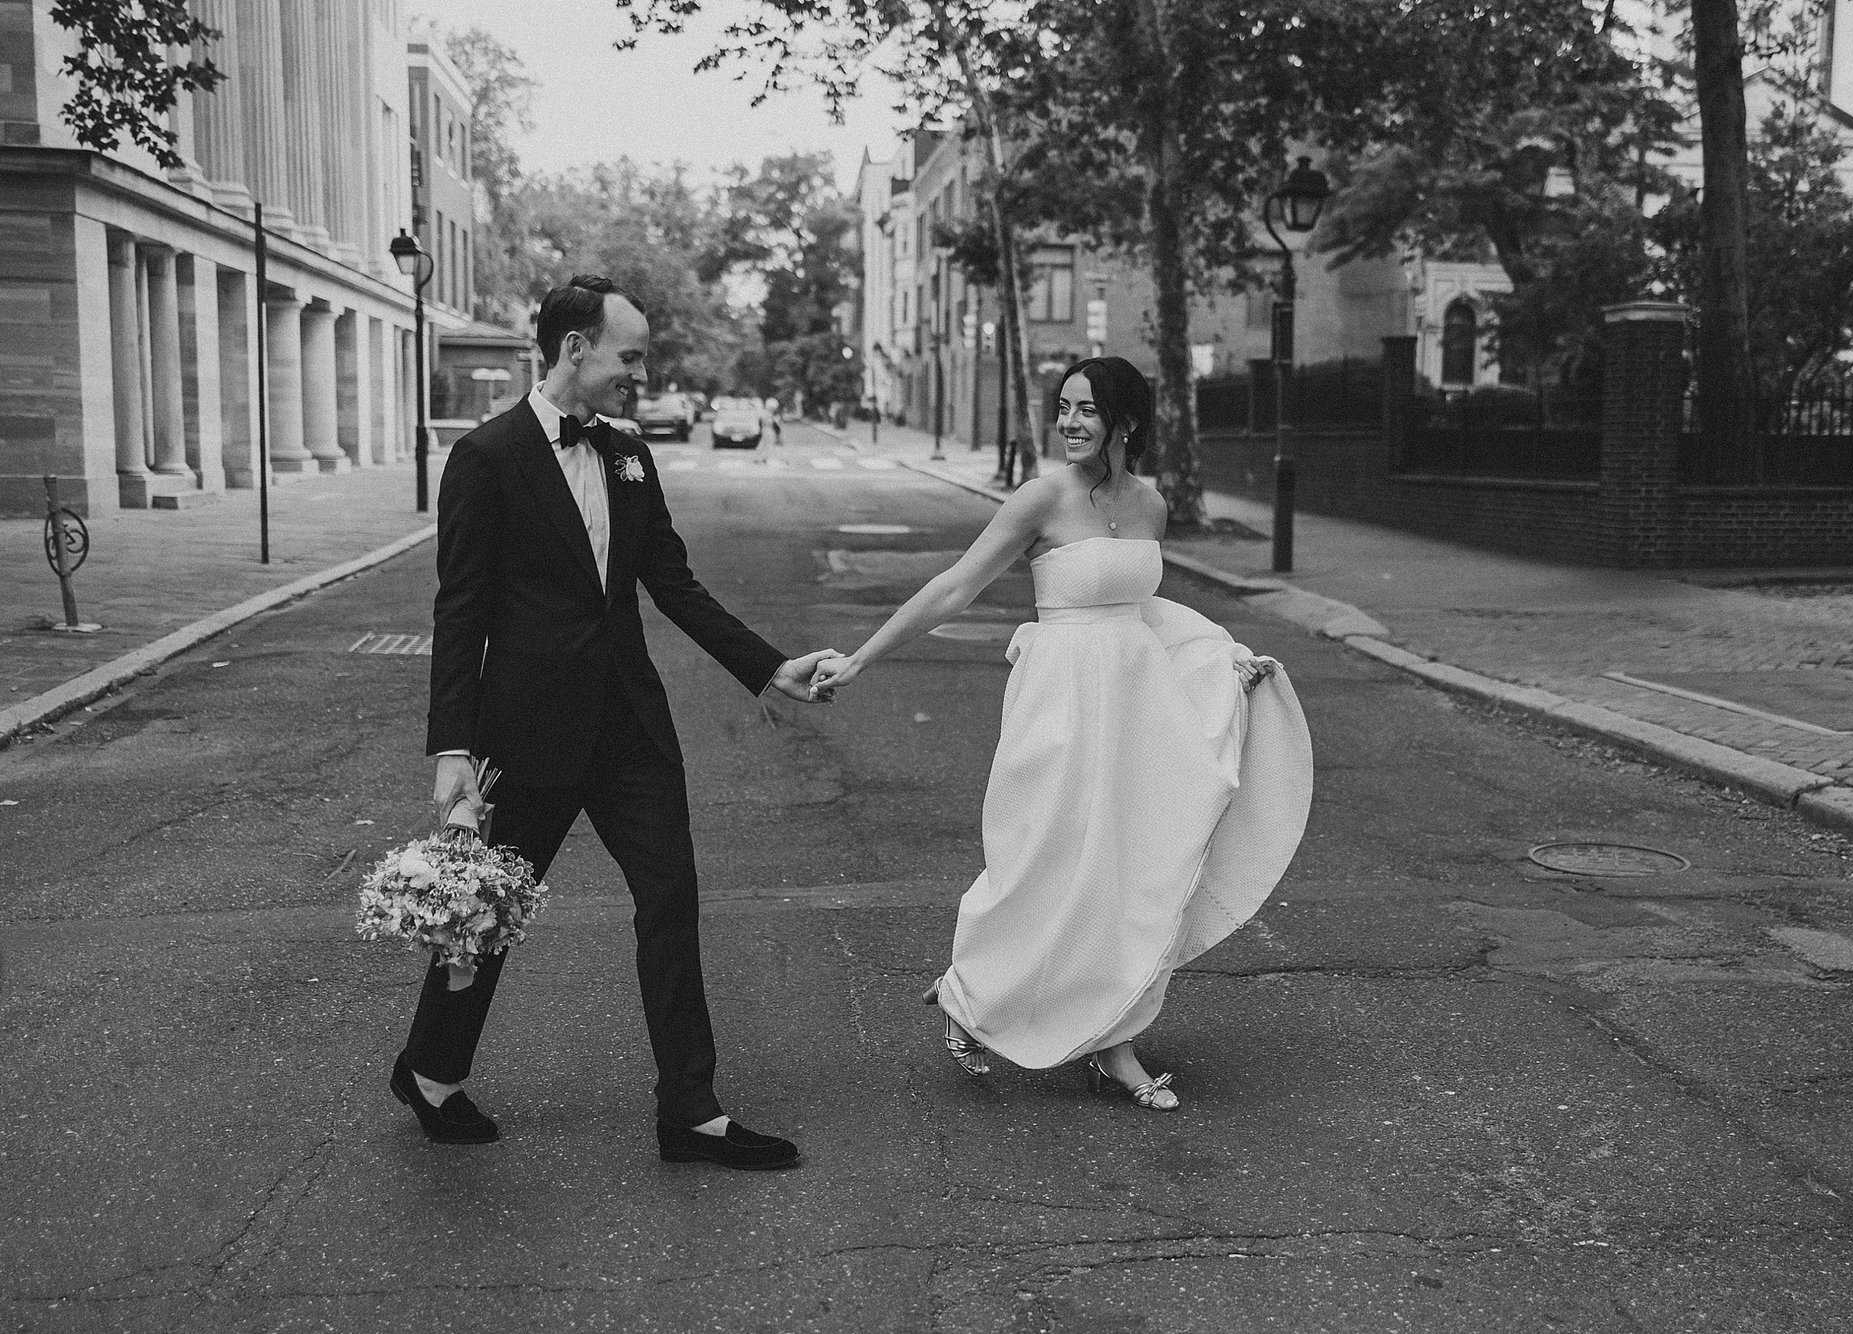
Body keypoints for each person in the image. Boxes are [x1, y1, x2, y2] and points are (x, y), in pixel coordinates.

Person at [392, 274, 836, 1170]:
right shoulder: (486, 458)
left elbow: (670, 581)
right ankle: (432, 1070)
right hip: (525, 734)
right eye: (630, 356)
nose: (641, 371)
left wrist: (769, 665)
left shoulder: (631, 454)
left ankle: (691, 1110)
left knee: (670, 899)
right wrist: (452, 750)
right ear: (574, 350)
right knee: (485, 910)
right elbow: (460, 610)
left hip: (630, 726)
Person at [810, 356, 1313, 1110]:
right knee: (1037, 860)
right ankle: (970, 993)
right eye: (1065, 407)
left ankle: (1114, 1043)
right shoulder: (1041, 498)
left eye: (1087, 409)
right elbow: (955, 586)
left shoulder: (1152, 506)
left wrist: (1219, 665)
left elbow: (1146, 612)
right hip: (1057, 706)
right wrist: (861, 658)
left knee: (1129, 871)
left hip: (1136, 713)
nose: (1070, 422)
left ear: (1127, 423)